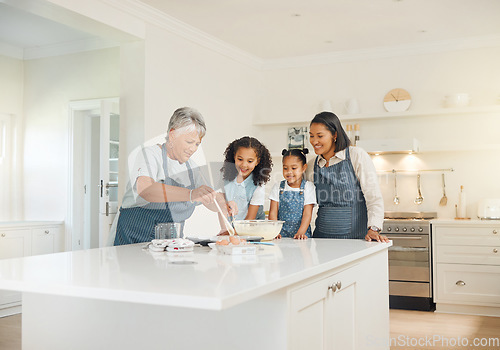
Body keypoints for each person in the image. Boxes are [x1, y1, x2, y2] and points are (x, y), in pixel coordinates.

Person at [113, 107, 224, 246]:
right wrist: (190, 194)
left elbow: (209, 200)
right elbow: (145, 189)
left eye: (197, 144)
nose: (193, 149)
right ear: (173, 135)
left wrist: (220, 201)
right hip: (134, 237)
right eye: (189, 142)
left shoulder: (192, 168)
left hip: (171, 243)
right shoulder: (150, 154)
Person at [307, 111, 389, 242]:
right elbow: (305, 203)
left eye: (320, 136)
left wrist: (374, 229)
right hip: (321, 241)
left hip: (355, 241)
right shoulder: (312, 165)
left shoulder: (356, 155)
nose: (314, 141)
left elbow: (373, 198)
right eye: (311, 136)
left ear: (334, 135)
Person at [268, 148, 316, 240]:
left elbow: (307, 214)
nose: (289, 172)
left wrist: (300, 233)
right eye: (285, 168)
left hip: (302, 235)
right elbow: (273, 212)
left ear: (303, 168)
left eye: (294, 168)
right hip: (280, 236)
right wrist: (274, 231)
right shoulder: (278, 186)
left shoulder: (308, 187)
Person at [220, 136, 272, 220]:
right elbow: (221, 207)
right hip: (232, 227)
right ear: (234, 156)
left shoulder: (258, 184)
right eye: (240, 159)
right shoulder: (225, 178)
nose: (244, 165)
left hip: (252, 228)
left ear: (257, 161)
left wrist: (236, 233)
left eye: (250, 161)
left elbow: (250, 218)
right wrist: (225, 229)